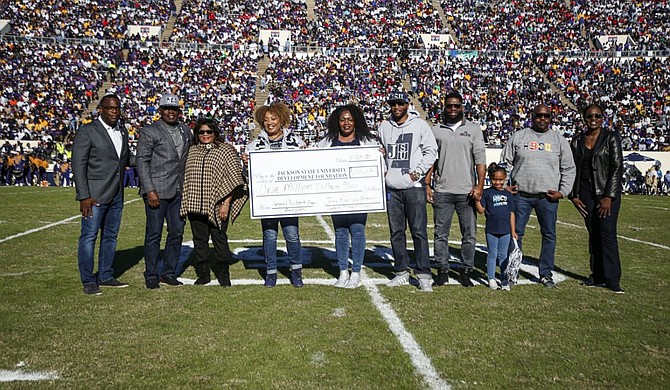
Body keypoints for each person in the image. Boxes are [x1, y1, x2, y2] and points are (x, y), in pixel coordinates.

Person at [500, 104, 576, 288]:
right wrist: (504, 186)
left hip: (548, 197)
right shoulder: (519, 136)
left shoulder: (559, 140)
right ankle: (513, 271)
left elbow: (569, 168)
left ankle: (545, 273)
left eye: (546, 116)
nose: (542, 119)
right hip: (521, 196)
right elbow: (504, 162)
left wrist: (563, 191)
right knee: (516, 234)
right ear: (532, 116)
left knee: (549, 235)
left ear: (551, 118)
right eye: (539, 115)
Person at [425, 91, 486, 288]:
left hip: (467, 191)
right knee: (440, 234)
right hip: (442, 190)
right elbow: (431, 160)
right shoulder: (435, 130)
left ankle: (465, 270)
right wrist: (427, 184)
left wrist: (479, 186)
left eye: (456, 105)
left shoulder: (474, 129)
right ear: (444, 107)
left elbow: (480, 160)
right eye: (449, 105)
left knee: (469, 234)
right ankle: (442, 270)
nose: (453, 109)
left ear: (462, 107)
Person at [378, 91, 437, 292]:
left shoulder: (420, 125)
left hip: (413, 187)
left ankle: (424, 274)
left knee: (419, 232)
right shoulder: (384, 127)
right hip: (392, 188)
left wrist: (418, 173)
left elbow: (432, 152)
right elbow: (381, 150)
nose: (396, 107)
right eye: (393, 103)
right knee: (396, 232)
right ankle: (401, 271)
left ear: (407, 104)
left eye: (400, 103)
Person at [316, 104, 380, 289]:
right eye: (343, 119)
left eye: (350, 119)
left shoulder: (367, 141)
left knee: (358, 231)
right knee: (341, 232)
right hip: (336, 196)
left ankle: (357, 272)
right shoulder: (327, 141)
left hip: (359, 196)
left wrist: (379, 156)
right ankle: (343, 270)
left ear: (356, 121)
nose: (346, 123)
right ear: (337, 121)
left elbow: (378, 166)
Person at [72, 94, 130, 295]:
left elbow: (125, 159)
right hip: (94, 196)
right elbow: (78, 165)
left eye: (117, 108)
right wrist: (83, 195)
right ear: (100, 109)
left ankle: (105, 275)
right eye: (110, 108)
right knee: (89, 236)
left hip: (116, 194)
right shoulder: (87, 131)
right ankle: (88, 279)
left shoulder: (122, 131)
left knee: (110, 236)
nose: (115, 111)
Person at [180, 118, 248, 287]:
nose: (205, 135)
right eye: (201, 132)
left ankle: (223, 274)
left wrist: (226, 203)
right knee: (199, 240)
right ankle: (203, 274)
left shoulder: (226, 150)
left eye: (208, 131)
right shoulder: (192, 150)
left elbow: (234, 178)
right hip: (195, 203)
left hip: (218, 204)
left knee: (219, 239)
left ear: (215, 133)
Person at [245, 102, 306, 288]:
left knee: (292, 235)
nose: (270, 123)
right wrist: (246, 164)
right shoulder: (254, 146)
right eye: (266, 120)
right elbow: (248, 176)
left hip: (289, 198)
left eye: (274, 118)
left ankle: (296, 270)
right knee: (269, 236)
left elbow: (306, 167)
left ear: (281, 119)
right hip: (268, 200)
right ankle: (270, 272)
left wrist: (307, 155)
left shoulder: (297, 143)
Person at [137, 93, 192, 289]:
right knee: (154, 233)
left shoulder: (186, 130)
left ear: (179, 111)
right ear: (160, 111)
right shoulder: (149, 131)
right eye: (167, 109)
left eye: (174, 109)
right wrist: (149, 190)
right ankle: (151, 273)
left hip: (179, 190)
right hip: (157, 191)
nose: (171, 112)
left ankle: (168, 272)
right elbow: (141, 161)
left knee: (177, 232)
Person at [568, 103, 624, 294]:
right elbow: (570, 169)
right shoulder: (577, 140)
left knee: (607, 234)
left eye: (597, 116)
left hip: (605, 193)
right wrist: (573, 195)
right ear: (584, 118)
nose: (594, 119)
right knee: (593, 234)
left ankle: (612, 278)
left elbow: (616, 168)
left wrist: (608, 196)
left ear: (603, 118)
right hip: (585, 192)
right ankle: (597, 275)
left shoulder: (611, 138)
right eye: (590, 116)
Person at [475, 163, 517, 291]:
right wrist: (476, 200)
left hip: (505, 231)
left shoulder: (509, 195)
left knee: (503, 255)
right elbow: (481, 210)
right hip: (492, 230)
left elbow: (511, 213)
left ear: (505, 179)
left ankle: (504, 279)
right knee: (492, 254)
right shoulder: (487, 193)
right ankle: (491, 278)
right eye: (495, 179)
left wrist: (513, 231)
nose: (497, 182)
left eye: (500, 180)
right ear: (490, 178)